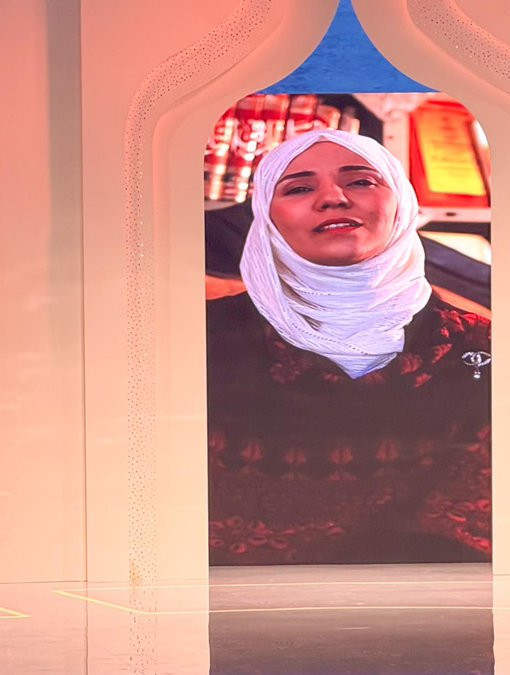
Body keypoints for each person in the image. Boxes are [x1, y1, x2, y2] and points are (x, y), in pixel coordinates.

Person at [207, 129, 491, 565]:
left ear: (402, 202)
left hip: (433, 603)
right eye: (299, 188)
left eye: (360, 181)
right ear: (265, 216)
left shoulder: (482, 351)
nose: (333, 198)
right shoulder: (196, 341)